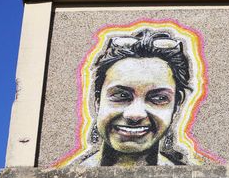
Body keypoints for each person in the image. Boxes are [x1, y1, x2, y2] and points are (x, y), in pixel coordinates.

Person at [73, 28, 194, 167]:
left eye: (159, 98)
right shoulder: (67, 177)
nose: (135, 114)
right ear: (97, 101)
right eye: (121, 96)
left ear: (176, 107)